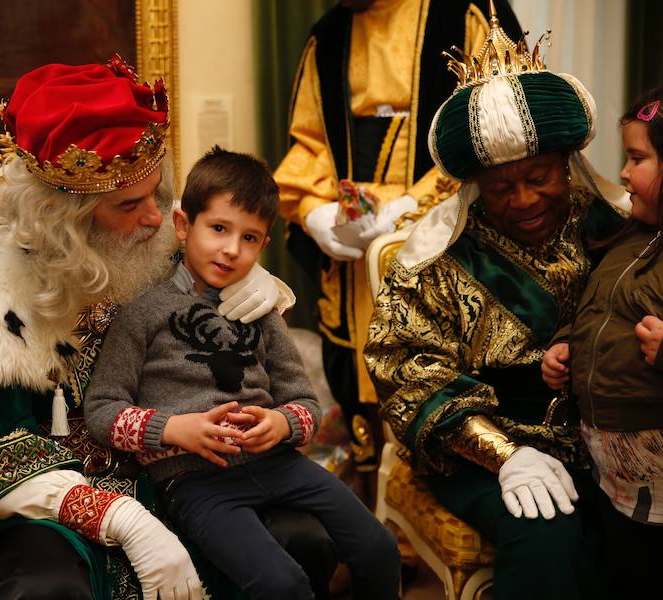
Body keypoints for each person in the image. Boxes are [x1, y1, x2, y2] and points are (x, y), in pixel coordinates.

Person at [0, 59, 339, 600]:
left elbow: (226, 263)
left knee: (302, 539)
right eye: (129, 205)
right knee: (48, 591)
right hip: (54, 503)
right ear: (63, 217)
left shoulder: (155, 245)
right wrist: (121, 519)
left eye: (157, 194)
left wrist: (263, 282)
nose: (158, 219)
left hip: (184, 471)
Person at [363, 10, 632, 600]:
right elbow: (407, 377)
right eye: (501, 187)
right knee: (549, 535)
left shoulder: (612, 229)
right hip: (479, 443)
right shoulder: (434, 259)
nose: (525, 200)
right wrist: (504, 454)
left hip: (610, 431)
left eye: (539, 177)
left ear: (568, 162)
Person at [84, 146, 400, 600]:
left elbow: (304, 402)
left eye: (250, 238)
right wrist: (174, 428)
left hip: (279, 465)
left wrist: (281, 423)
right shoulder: (143, 312)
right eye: (218, 229)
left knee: (379, 547)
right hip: (194, 481)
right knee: (280, 584)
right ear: (182, 224)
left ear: (264, 245)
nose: (232, 250)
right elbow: (102, 409)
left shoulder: (262, 310)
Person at [273, 0, 520, 493]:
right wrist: (314, 211)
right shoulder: (329, 35)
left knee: (432, 372)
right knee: (359, 375)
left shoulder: (465, 14)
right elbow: (311, 142)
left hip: (442, 241)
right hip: (349, 250)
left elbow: (496, 130)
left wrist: (408, 205)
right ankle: (372, 520)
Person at [541, 85, 663, 598]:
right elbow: (597, 306)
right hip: (611, 466)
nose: (623, 174)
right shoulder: (631, 235)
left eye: (637, 158)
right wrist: (567, 345)